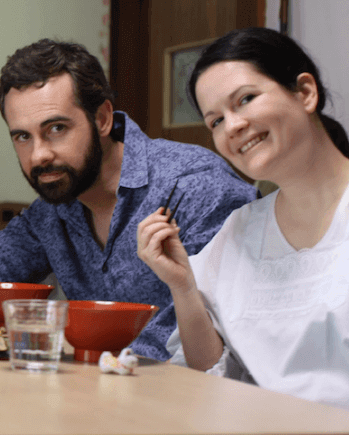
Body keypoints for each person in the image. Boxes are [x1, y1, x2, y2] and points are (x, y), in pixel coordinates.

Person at [0, 39, 259, 361]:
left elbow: (217, 350)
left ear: (102, 118)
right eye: (22, 137)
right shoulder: (54, 208)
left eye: (56, 129)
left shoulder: (194, 188)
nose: (39, 155)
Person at [137, 27, 348, 408]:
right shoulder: (240, 230)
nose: (232, 127)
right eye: (215, 121)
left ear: (305, 92)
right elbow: (211, 375)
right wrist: (183, 286)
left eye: (246, 99)